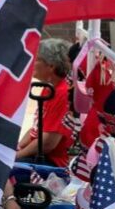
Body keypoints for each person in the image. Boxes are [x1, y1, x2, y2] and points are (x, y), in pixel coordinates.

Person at [16, 38, 74, 168]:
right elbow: (35, 130)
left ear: (51, 66)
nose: (32, 63)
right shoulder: (49, 88)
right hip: (38, 155)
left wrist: (16, 156)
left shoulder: (63, 93)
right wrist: (18, 147)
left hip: (53, 163)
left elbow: (48, 143)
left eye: (37, 59)